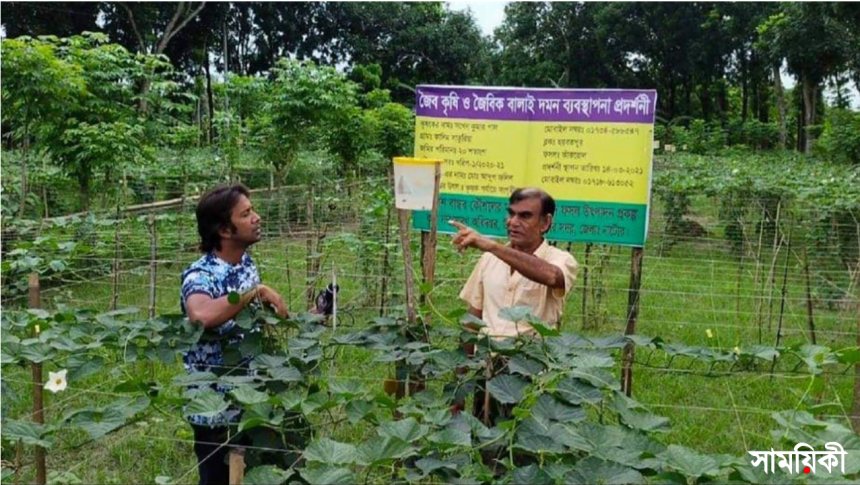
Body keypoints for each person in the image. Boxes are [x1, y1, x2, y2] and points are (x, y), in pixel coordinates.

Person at [179, 183, 287, 485]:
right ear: (225, 230)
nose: (257, 217)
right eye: (247, 213)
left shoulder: (244, 263)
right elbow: (200, 315)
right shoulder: (201, 274)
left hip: (250, 400)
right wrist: (254, 293)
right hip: (215, 410)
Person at [450, 187, 578, 422]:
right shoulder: (489, 260)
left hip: (532, 372)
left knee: (523, 445)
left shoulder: (561, 259)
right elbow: (472, 321)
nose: (513, 222)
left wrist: (491, 245)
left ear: (545, 223)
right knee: (485, 443)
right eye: (511, 214)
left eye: (525, 216)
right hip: (486, 369)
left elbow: (552, 277)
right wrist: (459, 383)